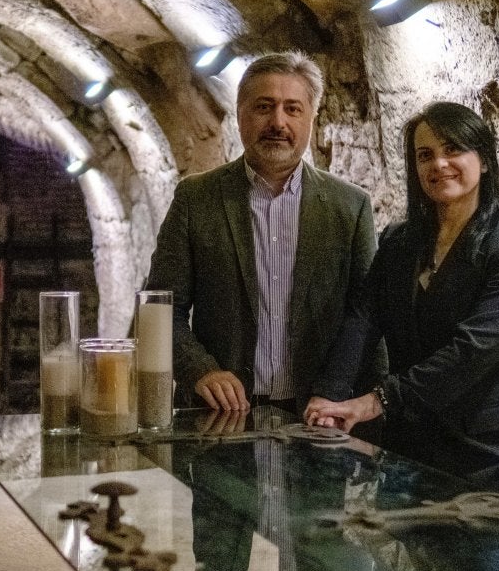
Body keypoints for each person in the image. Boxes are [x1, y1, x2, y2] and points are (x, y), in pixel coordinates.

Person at [305, 101, 499, 500]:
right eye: (425, 155)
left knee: (489, 560)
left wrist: (378, 400)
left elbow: (474, 349)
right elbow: (363, 316)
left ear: (483, 160)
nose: (440, 164)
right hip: (411, 445)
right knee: (406, 562)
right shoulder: (400, 242)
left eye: (453, 149)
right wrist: (332, 394)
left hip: (487, 452)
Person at [146, 51, 378, 414]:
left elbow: (365, 315)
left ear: (311, 119)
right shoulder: (196, 198)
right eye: (263, 107)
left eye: (293, 109)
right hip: (220, 419)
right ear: (239, 115)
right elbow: (159, 309)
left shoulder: (350, 207)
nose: (277, 122)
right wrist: (201, 371)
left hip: (316, 418)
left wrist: (335, 392)